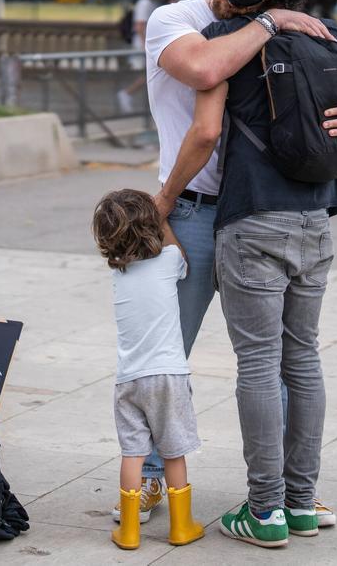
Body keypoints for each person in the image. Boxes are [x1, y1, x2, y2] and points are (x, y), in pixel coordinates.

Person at [108, 0, 337, 529]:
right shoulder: (178, 20)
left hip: (258, 212)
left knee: (273, 362)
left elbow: (321, 110)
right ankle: (152, 477)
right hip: (194, 211)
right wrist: (270, 22)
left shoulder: (277, 28)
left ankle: (278, 494)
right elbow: (202, 70)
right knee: (164, 354)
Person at [92, 189, 204, 551]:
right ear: (151, 226)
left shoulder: (119, 275)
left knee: (132, 454)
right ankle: (181, 526)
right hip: (168, 377)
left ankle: (128, 530)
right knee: (172, 452)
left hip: (128, 380)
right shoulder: (167, 261)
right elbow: (182, 256)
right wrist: (165, 214)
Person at [117, 0, 167, 114]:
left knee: (152, 74)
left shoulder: (151, 3)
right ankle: (127, 93)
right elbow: (140, 26)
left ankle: (128, 94)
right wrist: (147, 46)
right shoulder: (144, 3)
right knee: (152, 74)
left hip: (147, 44)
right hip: (144, 44)